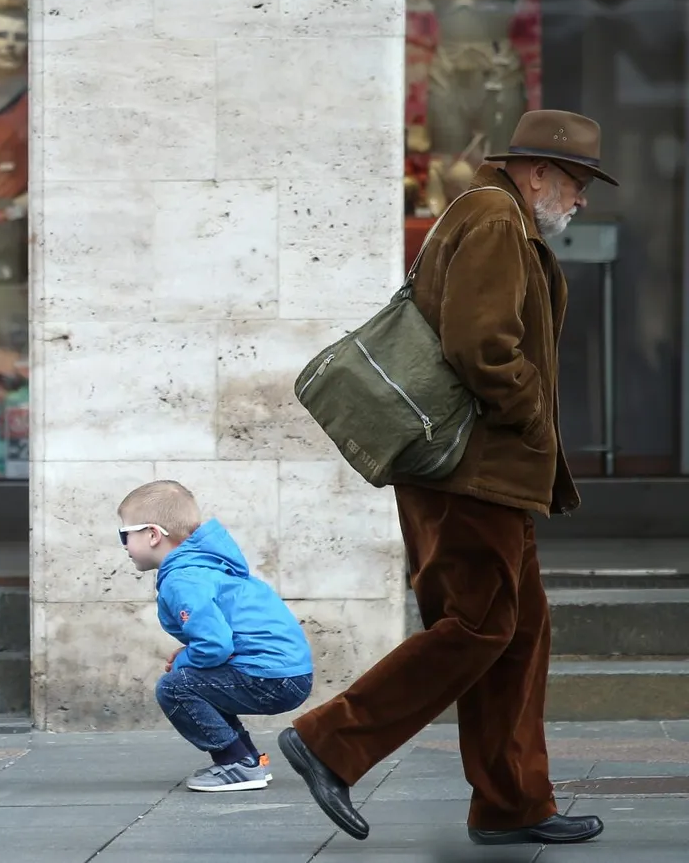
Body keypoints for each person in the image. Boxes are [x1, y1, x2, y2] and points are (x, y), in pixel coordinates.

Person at [277, 110, 618, 846]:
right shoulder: (497, 220)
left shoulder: (494, 214)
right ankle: (331, 742)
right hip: (472, 472)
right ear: (537, 174)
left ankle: (513, 804)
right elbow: (481, 343)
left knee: (519, 633)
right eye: (577, 183)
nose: (581, 200)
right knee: (477, 625)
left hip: (485, 472)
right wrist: (529, 414)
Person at [117, 480, 314, 792]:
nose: (124, 544)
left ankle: (236, 763)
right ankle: (250, 759)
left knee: (174, 688)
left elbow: (216, 645)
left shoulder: (183, 579)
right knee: (197, 678)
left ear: (153, 534)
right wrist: (189, 655)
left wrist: (184, 659)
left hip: (272, 678)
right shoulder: (204, 566)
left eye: (125, 534)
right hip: (288, 673)